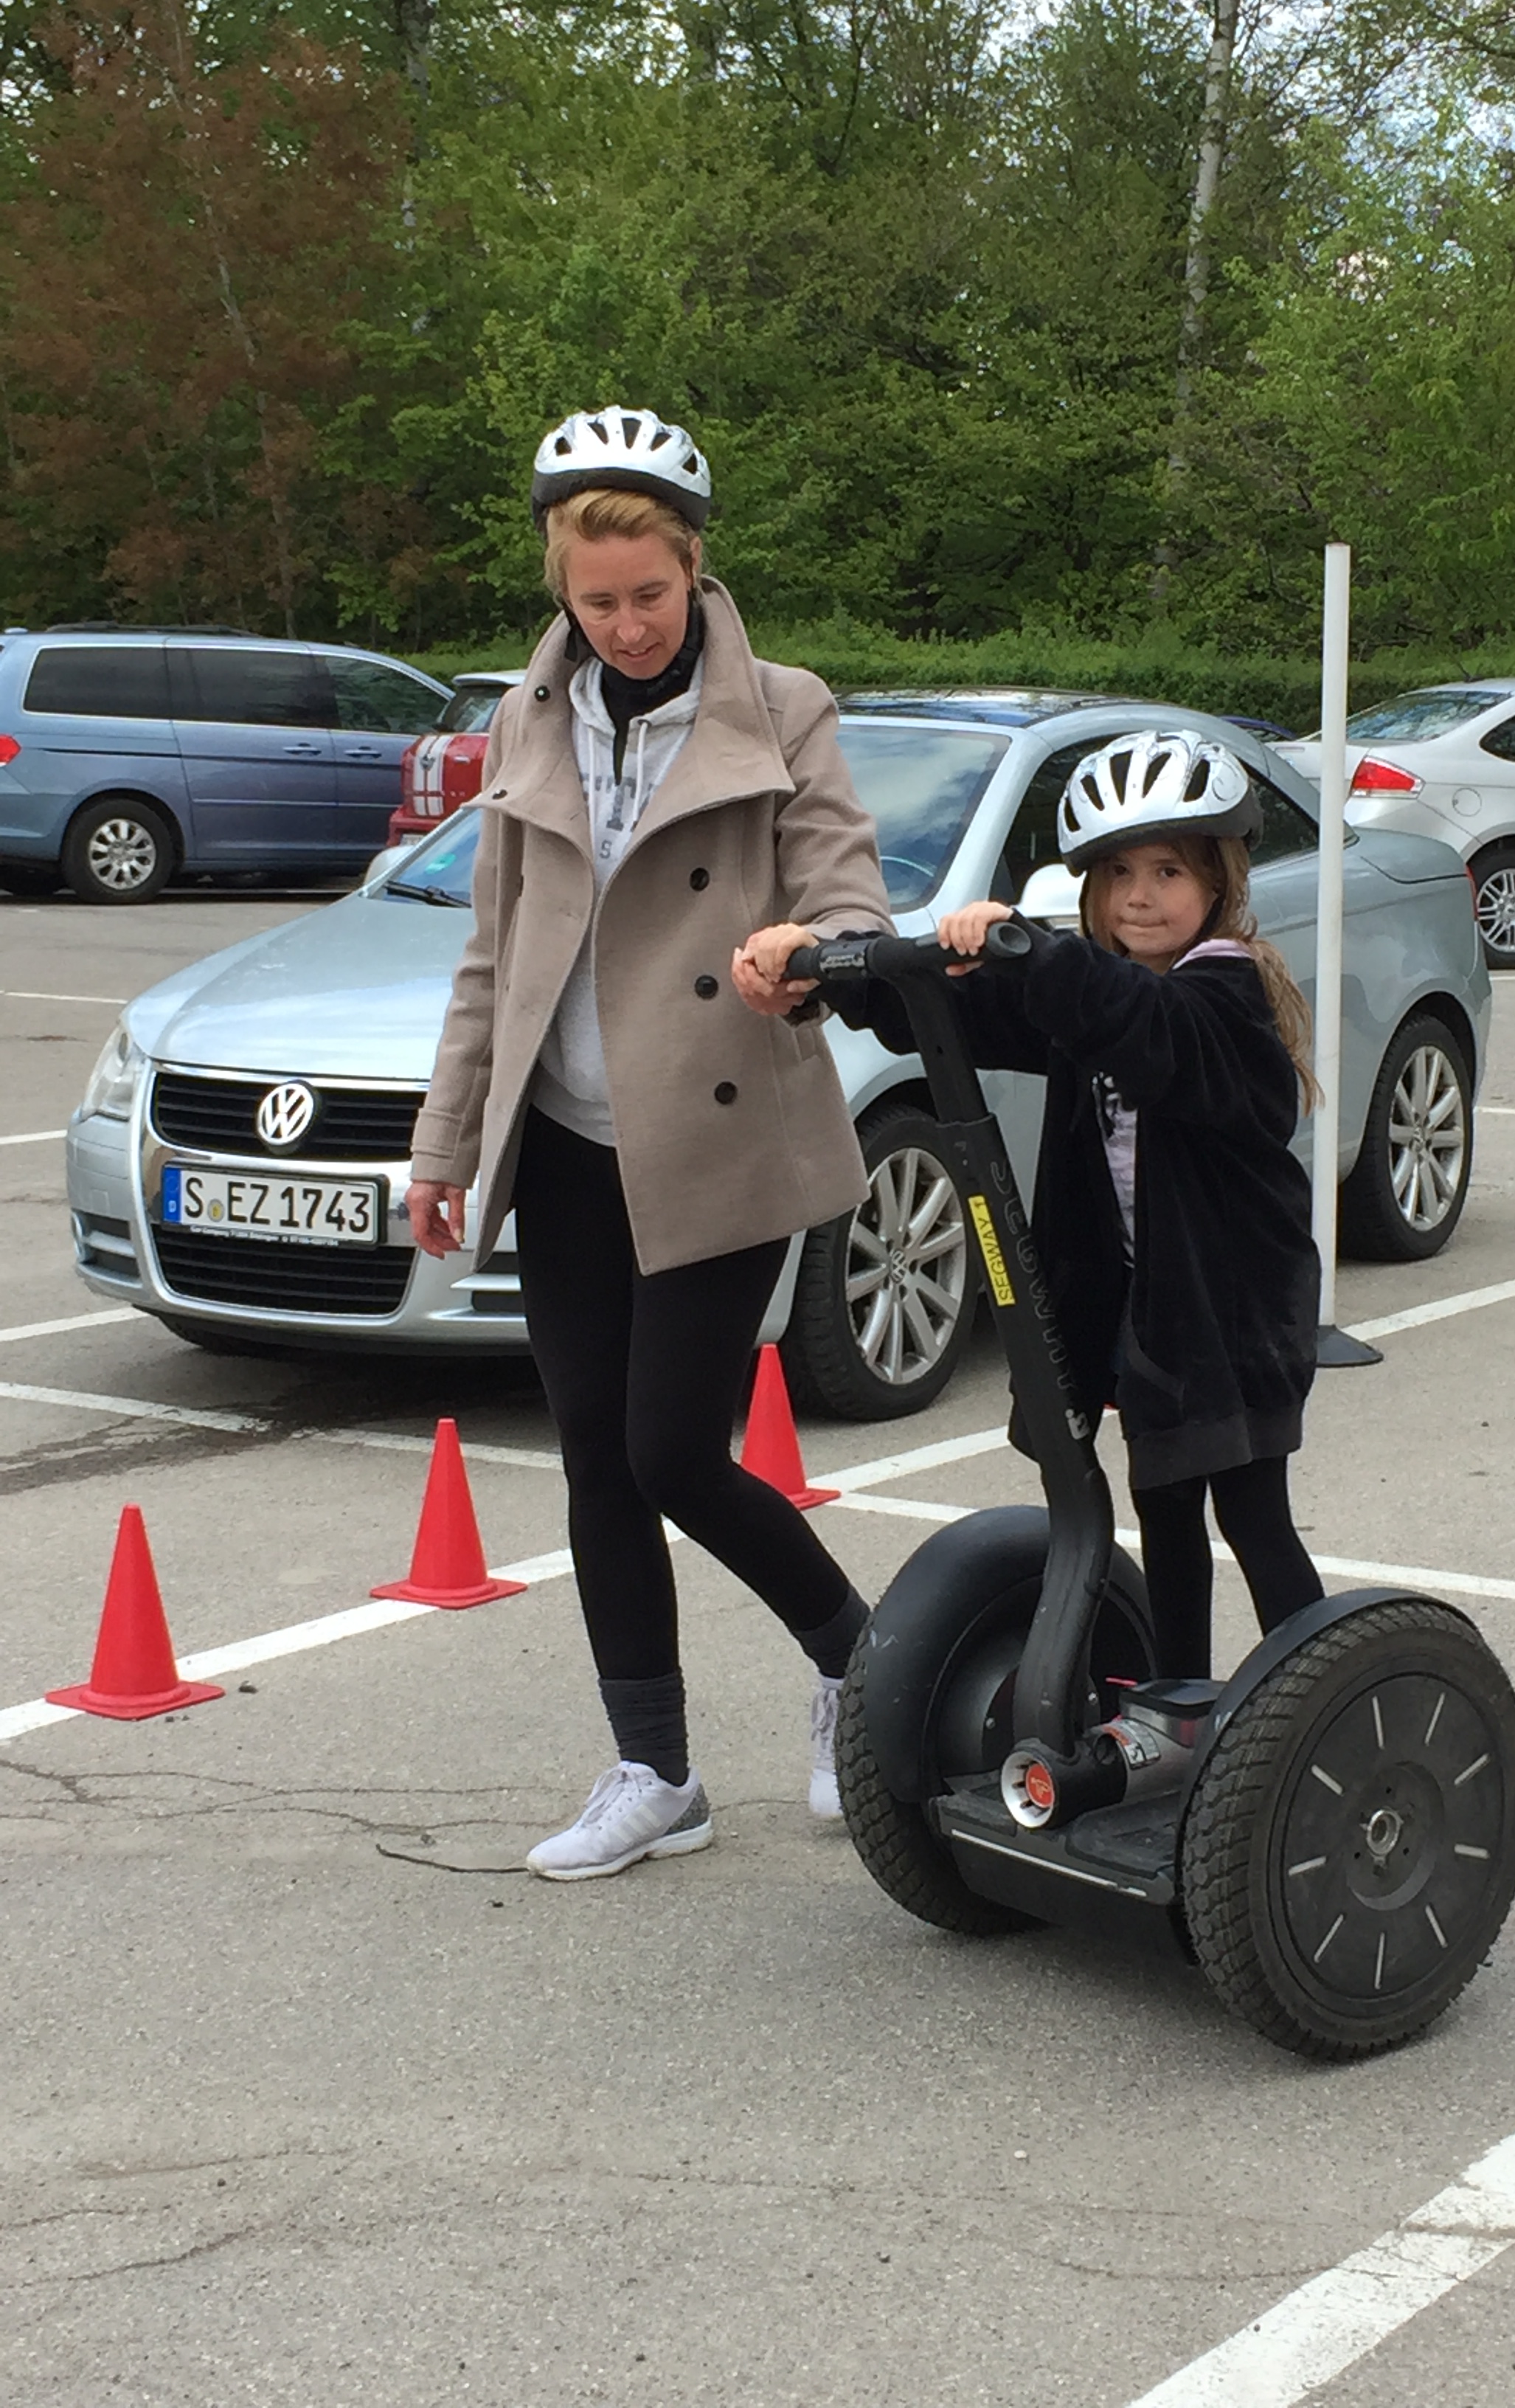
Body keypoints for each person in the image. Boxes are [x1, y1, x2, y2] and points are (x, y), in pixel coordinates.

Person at [406, 406, 894, 1881]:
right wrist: (446, 1141)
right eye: (597, 600)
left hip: (716, 1132)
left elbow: (847, 893)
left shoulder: (784, 708)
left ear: (696, 569)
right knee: (597, 1467)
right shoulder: (527, 718)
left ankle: (862, 1667)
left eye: (651, 594)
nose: (627, 627)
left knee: (672, 1448)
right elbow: (493, 951)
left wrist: (809, 952)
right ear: (562, 590)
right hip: (564, 1139)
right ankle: (655, 1773)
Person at [740, 727, 1322, 1681]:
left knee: (1253, 1518)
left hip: (1235, 1313)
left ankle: (1326, 1697)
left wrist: (1035, 949)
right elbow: (959, 1015)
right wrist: (825, 970)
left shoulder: (1225, 997)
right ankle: (1176, 1702)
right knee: (1166, 1513)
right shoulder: (1094, 993)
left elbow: (1146, 1028)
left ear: (1218, 883)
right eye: (1118, 873)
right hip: (1152, 1315)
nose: (1140, 896)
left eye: (1169, 871)